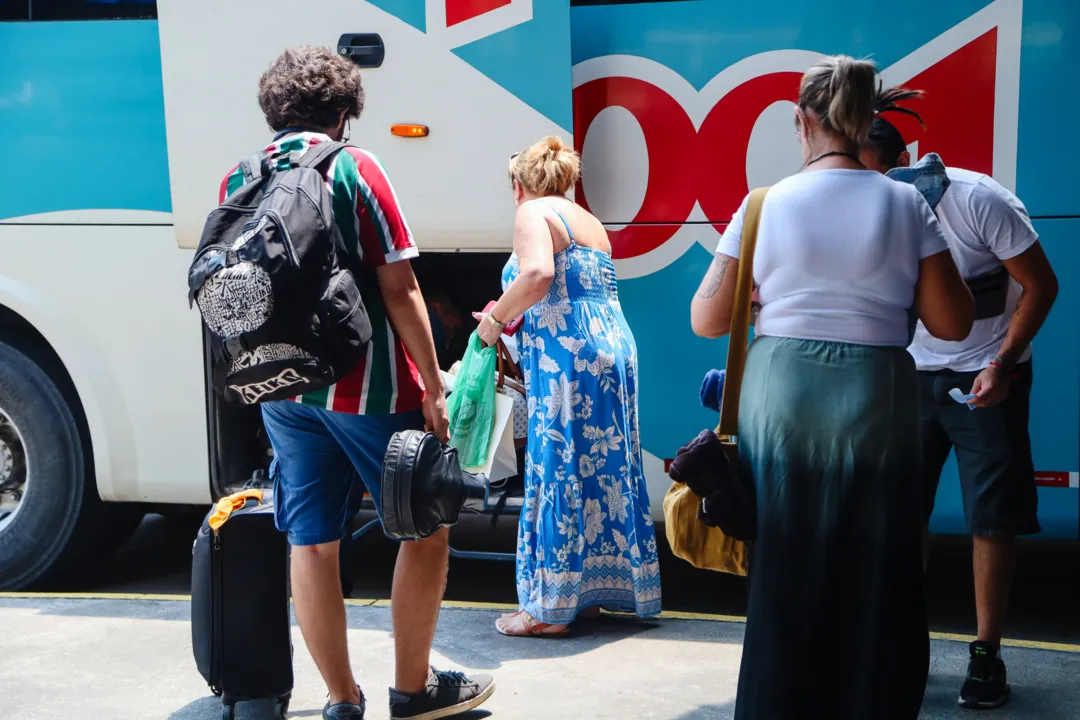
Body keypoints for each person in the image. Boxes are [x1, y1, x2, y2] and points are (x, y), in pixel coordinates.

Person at [691, 56, 975, 719]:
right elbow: (953, 322)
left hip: (782, 397)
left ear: (802, 119)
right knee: (880, 573)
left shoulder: (763, 203)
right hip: (878, 400)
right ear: (867, 121)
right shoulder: (906, 201)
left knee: (786, 569)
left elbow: (707, 317)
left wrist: (769, 301)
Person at [224, 46, 495, 720]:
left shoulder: (239, 177)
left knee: (311, 540)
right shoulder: (355, 168)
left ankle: (341, 701)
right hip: (367, 389)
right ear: (345, 112)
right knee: (423, 528)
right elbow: (400, 289)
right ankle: (413, 689)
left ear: (274, 110)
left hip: (281, 388)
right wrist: (433, 386)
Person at [862, 86, 1059, 710]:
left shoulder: (978, 201)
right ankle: (903, 642)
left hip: (988, 372)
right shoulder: (869, 205)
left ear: (897, 165)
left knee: (991, 518)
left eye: (871, 177)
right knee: (901, 513)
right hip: (909, 375)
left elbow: (1042, 285)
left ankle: (987, 654)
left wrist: (1002, 365)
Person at [476, 136, 661, 637]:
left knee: (557, 464)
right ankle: (589, 597)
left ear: (519, 184)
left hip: (569, 357)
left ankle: (547, 609)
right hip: (612, 349)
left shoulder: (533, 214)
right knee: (602, 468)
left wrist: (493, 321)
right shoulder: (589, 222)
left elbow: (537, 273)